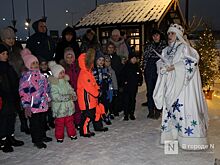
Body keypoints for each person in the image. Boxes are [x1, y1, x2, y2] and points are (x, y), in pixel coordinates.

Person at [153, 24, 209, 150]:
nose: (169, 36)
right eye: (168, 34)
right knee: (171, 111)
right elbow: (160, 63)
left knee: (183, 111)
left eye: (172, 33)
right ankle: (172, 135)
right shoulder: (165, 50)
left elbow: (192, 61)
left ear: (178, 35)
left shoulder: (184, 47)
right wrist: (162, 68)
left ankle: (188, 139)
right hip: (169, 85)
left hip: (183, 88)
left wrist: (174, 67)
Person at [19, 48, 52, 149]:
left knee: (42, 122)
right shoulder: (26, 77)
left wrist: (48, 99)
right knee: (35, 124)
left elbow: (46, 88)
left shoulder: (42, 76)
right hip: (33, 106)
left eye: (36, 63)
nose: (36, 65)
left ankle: (42, 136)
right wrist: (26, 106)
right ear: (28, 65)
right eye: (33, 63)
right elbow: (23, 92)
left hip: (42, 104)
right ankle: (37, 140)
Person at [0, 27, 30, 134]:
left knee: (20, 105)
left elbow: (22, 63)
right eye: (8, 38)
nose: (11, 40)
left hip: (20, 81)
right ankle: (7, 135)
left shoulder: (17, 49)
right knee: (9, 109)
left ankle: (24, 125)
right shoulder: (2, 51)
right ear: (3, 38)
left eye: (13, 38)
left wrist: (24, 71)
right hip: (8, 84)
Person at [77, 49, 108, 137]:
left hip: (92, 99)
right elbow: (89, 87)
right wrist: (97, 93)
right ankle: (84, 131)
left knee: (96, 112)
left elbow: (93, 83)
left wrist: (98, 89)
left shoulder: (88, 72)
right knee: (88, 116)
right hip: (86, 100)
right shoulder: (84, 74)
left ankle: (98, 126)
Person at [0, 44, 24, 153]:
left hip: (12, 96)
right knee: (3, 119)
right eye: (3, 54)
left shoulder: (9, 66)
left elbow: (15, 80)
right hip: (3, 98)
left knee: (11, 117)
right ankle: (3, 141)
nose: (5, 56)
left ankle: (10, 136)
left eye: (6, 54)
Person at [48, 61, 77, 143]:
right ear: (56, 74)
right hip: (59, 109)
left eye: (63, 72)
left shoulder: (66, 82)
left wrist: (73, 95)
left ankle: (72, 134)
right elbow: (55, 96)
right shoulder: (54, 84)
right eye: (60, 73)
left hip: (68, 107)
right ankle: (59, 136)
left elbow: (71, 90)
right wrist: (68, 97)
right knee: (59, 124)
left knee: (70, 122)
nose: (63, 74)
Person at [142, 29, 167, 119]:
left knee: (159, 90)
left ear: (160, 36)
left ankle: (158, 110)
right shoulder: (148, 46)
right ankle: (150, 110)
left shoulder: (165, 46)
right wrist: (144, 70)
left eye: (157, 35)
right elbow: (144, 58)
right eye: (154, 36)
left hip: (160, 70)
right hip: (149, 70)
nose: (155, 37)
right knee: (150, 92)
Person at [59, 47, 81, 129]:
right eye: (67, 57)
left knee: (78, 107)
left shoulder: (78, 67)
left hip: (78, 90)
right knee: (70, 108)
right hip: (68, 91)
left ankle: (78, 122)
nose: (69, 59)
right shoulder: (63, 68)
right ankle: (70, 123)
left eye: (71, 57)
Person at [121, 53, 143, 121]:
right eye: (132, 58)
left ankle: (131, 113)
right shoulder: (126, 67)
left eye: (135, 59)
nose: (134, 60)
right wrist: (123, 83)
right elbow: (122, 76)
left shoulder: (137, 67)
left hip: (134, 87)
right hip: (127, 87)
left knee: (132, 100)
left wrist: (139, 81)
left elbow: (140, 75)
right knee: (126, 100)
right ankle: (126, 114)